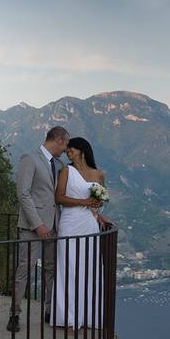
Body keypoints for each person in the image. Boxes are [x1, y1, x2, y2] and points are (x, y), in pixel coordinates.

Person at [7, 126, 69, 333]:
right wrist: (38, 225)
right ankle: (14, 314)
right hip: (32, 227)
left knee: (51, 270)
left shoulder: (59, 165)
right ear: (58, 140)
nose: (65, 150)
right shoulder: (29, 159)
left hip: (54, 225)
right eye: (65, 144)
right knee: (24, 269)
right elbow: (23, 194)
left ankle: (49, 311)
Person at [52, 137, 106, 329]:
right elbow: (59, 197)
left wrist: (98, 213)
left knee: (88, 269)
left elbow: (97, 203)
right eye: (67, 151)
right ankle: (69, 318)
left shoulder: (98, 174)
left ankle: (88, 316)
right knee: (68, 269)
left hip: (89, 224)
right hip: (69, 223)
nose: (68, 153)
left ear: (82, 150)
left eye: (71, 150)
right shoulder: (67, 170)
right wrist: (84, 203)